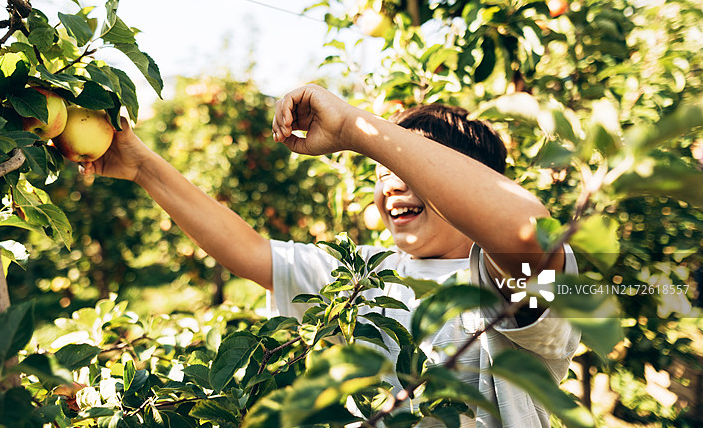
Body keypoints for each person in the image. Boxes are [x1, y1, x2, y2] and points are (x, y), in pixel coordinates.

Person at [82, 84, 580, 427]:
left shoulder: (502, 285)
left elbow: (528, 233)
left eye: (413, 168)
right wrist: (142, 166)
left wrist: (354, 130)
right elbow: (250, 250)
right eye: (382, 172)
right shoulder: (363, 275)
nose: (393, 183)